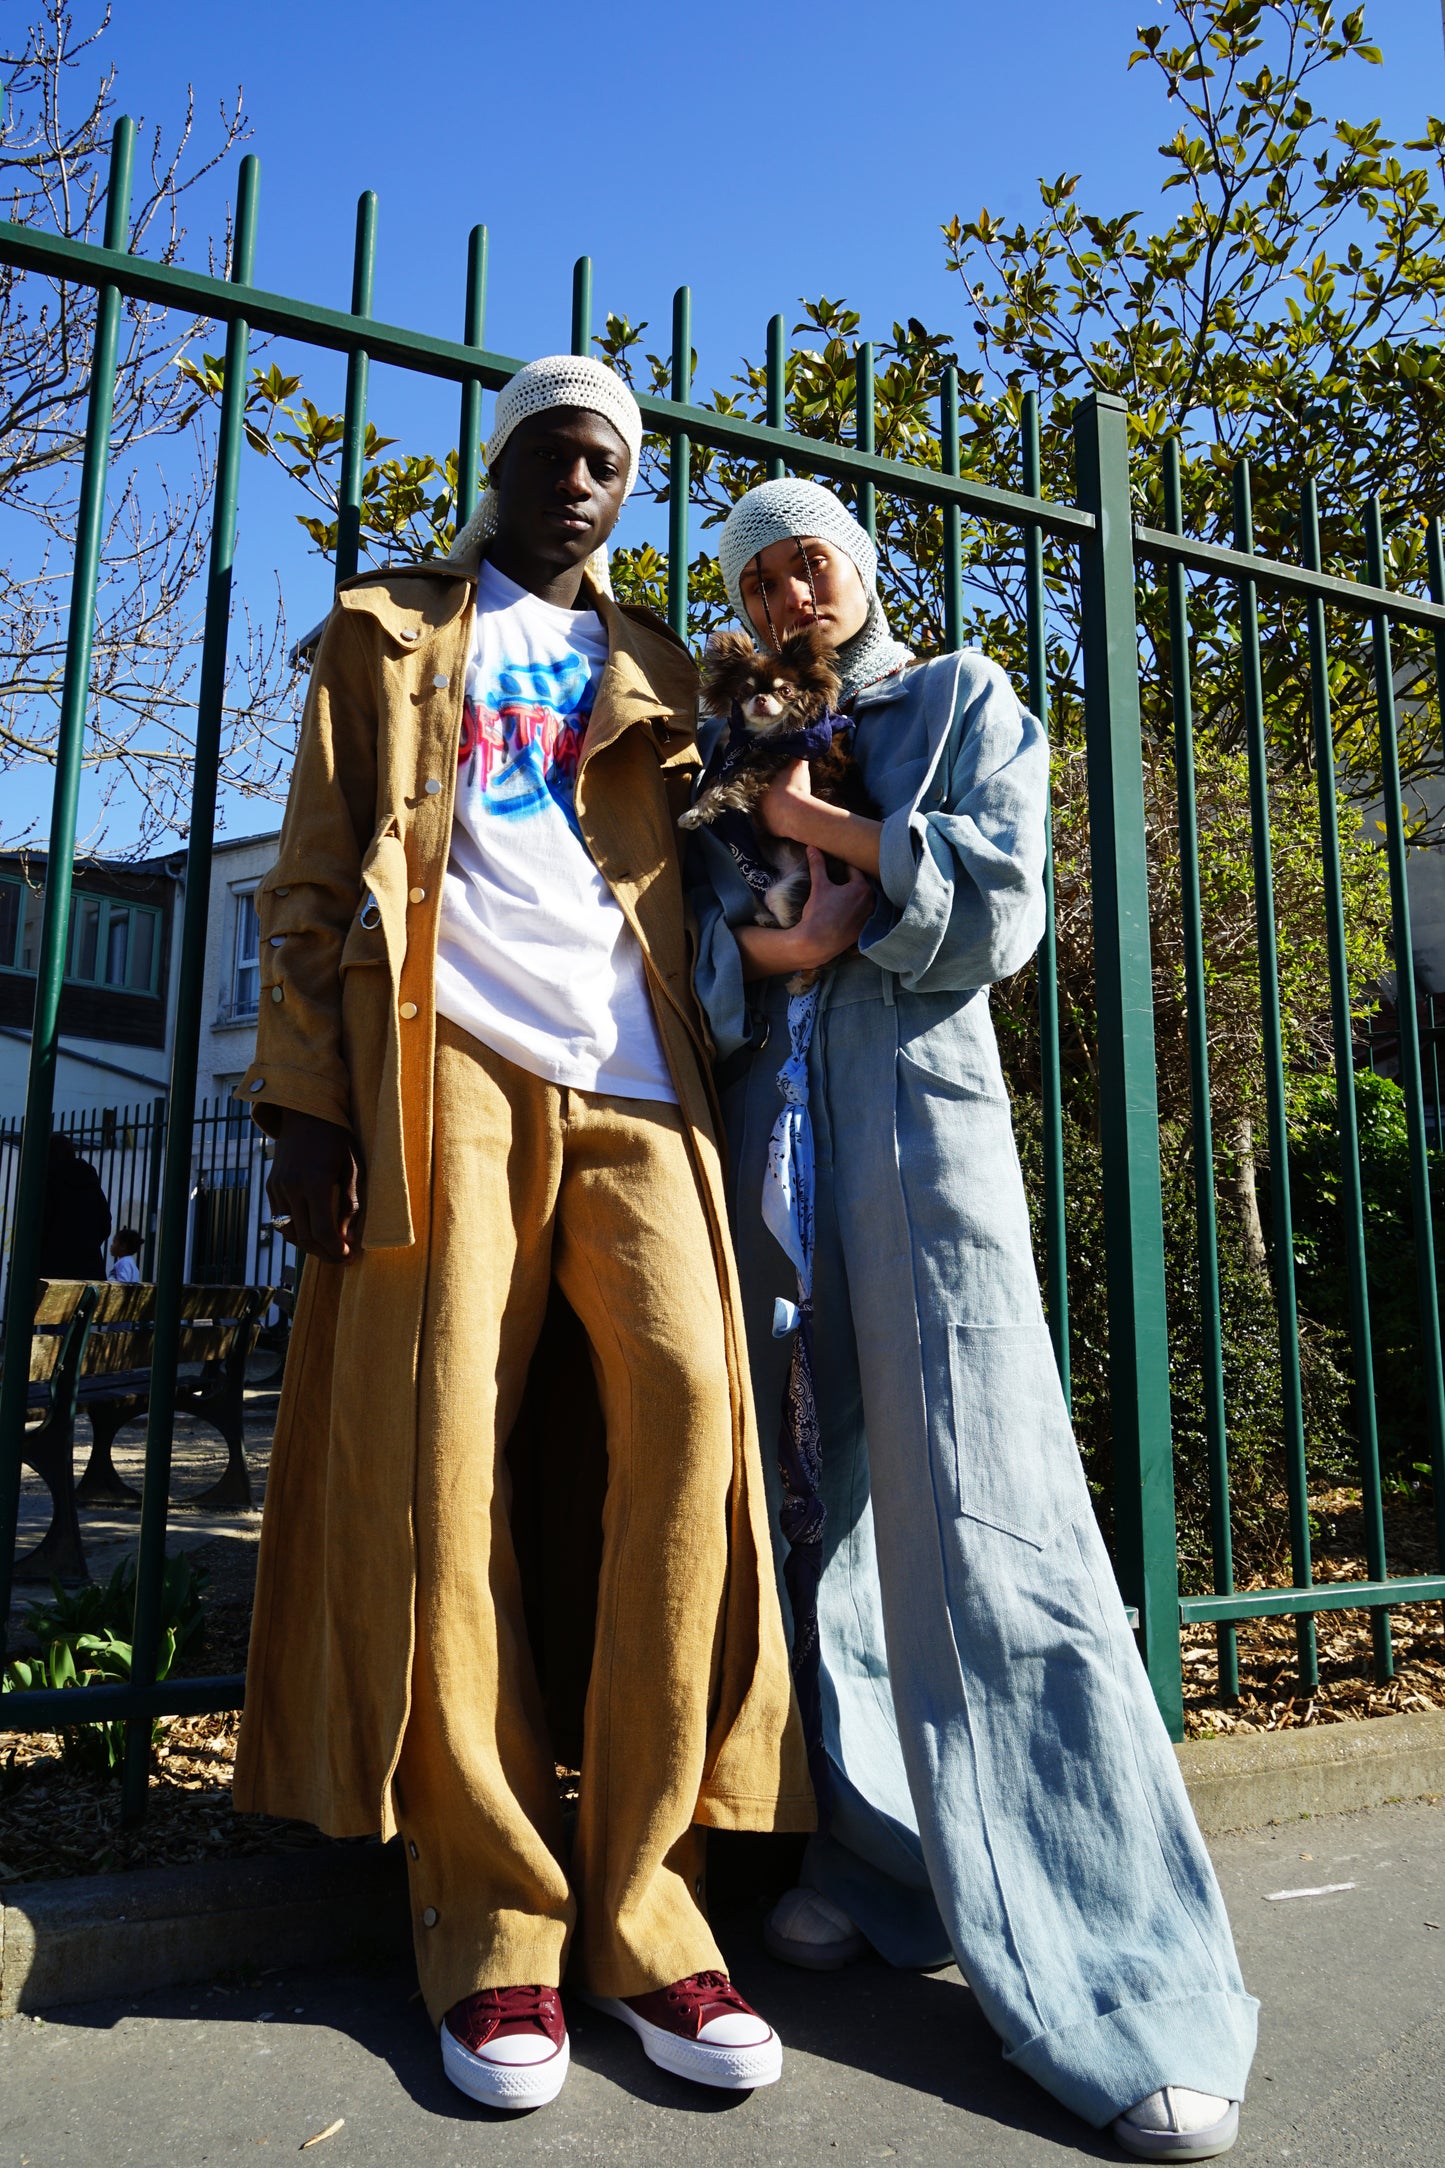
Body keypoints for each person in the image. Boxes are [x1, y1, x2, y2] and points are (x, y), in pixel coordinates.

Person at [231, 359, 811, 2114]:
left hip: (641, 1074)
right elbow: (315, 869)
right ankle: (490, 1918)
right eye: (554, 454)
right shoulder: (389, 632)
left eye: (608, 463)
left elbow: (752, 842)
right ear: (498, 466)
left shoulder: (665, 669)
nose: (579, 483)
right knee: (438, 1452)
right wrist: (304, 1102)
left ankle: (646, 1906)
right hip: (446, 1059)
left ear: (627, 493)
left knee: (694, 1422)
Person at [686, 476, 1257, 2163]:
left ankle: (1123, 1972)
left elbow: (1000, 908)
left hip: (919, 1143)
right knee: (820, 1514)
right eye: (759, 577)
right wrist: (781, 946)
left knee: (987, 1512)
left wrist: (835, 832)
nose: (791, 592)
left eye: (812, 560)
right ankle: (886, 1857)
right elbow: (705, 957)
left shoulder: (958, 697)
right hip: (768, 1154)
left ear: (859, 567)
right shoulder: (725, 750)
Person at [37, 1129, 111, 1281]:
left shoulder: (48, 1180)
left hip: (52, 1270)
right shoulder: (89, 1181)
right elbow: (105, 1223)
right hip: (90, 1270)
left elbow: (38, 1225)